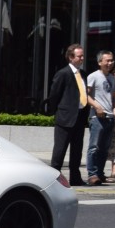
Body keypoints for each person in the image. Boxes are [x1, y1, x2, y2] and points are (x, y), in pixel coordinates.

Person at [46, 43, 89, 186]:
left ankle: (75, 177)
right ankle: (54, 178)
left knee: (77, 151)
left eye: (83, 56)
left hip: (80, 117)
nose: (82, 58)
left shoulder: (83, 74)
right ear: (71, 57)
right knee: (60, 150)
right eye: (79, 56)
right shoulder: (63, 73)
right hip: (65, 118)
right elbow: (54, 95)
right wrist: (56, 112)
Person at [85, 49, 115, 185]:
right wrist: (96, 106)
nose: (110, 63)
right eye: (107, 60)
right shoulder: (93, 76)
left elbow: (112, 97)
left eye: (112, 60)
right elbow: (85, 96)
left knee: (105, 148)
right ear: (100, 62)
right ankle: (92, 174)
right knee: (94, 147)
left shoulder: (111, 78)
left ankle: (100, 173)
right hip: (97, 117)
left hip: (110, 117)